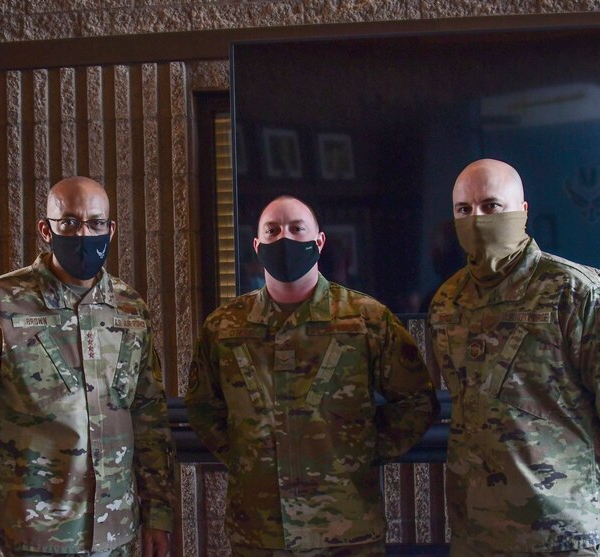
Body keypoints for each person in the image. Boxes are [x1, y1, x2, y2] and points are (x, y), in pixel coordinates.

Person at [426, 159, 600, 556]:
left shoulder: (576, 292)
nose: (477, 219)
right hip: (478, 536)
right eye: (463, 210)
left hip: (565, 536)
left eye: (491, 206)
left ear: (523, 211)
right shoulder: (448, 302)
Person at [0, 177, 177, 557]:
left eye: (96, 223)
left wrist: (159, 514)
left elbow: (149, 420)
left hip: (117, 537)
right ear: (46, 230)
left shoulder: (130, 308)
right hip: (29, 539)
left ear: (110, 230)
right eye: (69, 223)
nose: (84, 233)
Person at [186, 195, 439, 556]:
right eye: (272, 231)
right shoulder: (225, 326)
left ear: (318, 241)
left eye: (296, 229)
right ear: (257, 246)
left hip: (347, 530)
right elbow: (202, 407)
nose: (284, 239)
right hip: (259, 532)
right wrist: (247, 454)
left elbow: (416, 402)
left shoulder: (366, 318)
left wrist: (359, 451)